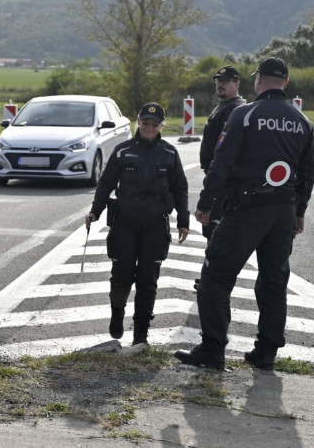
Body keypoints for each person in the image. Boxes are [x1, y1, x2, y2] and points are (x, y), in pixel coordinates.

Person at [176, 57, 314, 370]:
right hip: (284, 210)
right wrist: (300, 211)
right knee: (274, 281)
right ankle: (265, 353)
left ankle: (213, 350)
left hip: (248, 208)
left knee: (215, 276)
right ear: (286, 83)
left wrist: (205, 204)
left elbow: (221, 163)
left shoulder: (245, 114)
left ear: (257, 80)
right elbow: (308, 173)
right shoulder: (303, 122)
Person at [85, 103, 190, 346]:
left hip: (155, 225)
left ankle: (141, 333)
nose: (149, 128)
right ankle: (117, 312)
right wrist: (95, 211)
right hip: (125, 223)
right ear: (138, 122)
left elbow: (180, 188)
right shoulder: (123, 151)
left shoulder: (170, 153)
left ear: (161, 126)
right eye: (145, 123)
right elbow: (106, 184)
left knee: (147, 278)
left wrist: (183, 221)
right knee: (121, 274)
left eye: (155, 124)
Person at [199, 65, 246, 239]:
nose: (220, 84)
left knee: (217, 234)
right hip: (217, 178)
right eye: (218, 81)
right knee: (213, 233)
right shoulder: (224, 106)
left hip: (224, 181)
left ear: (237, 84)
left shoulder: (235, 109)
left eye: (225, 81)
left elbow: (226, 153)